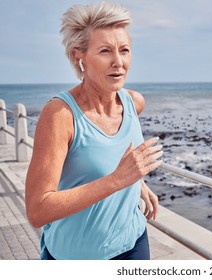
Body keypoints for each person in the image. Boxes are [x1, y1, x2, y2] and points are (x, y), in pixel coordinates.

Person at [25, 1, 163, 260]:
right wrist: (117, 180)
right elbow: (37, 210)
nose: (118, 62)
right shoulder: (60, 115)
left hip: (133, 244)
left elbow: (117, 156)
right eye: (104, 51)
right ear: (80, 57)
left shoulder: (134, 102)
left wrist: (137, 184)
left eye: (125, 50)